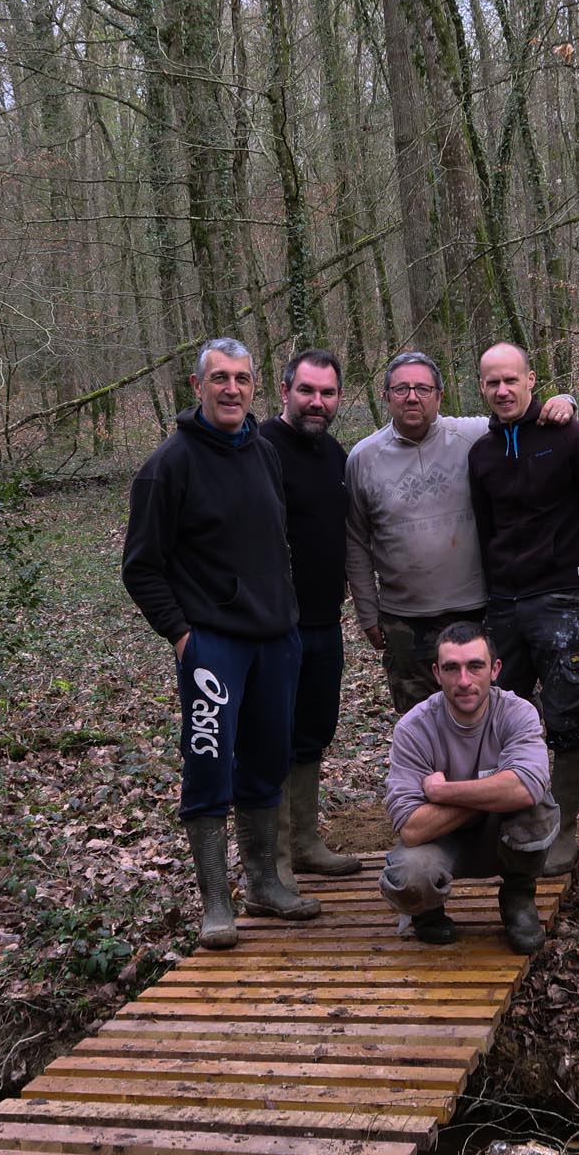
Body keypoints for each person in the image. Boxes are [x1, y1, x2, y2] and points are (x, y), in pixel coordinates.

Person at [121, 337, 323, 949]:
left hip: (275, 641)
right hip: (214, 647)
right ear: (197, 385)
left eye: (241, 378)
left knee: (268, 757)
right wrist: (183, 636)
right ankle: (216, 901)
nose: (231, 389)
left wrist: (285, 616)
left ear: (255, 385)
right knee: (210, 765)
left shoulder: (263, 453)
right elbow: (141, 567)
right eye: (219, 379)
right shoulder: (169, 465)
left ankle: (265, 880)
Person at [466, 342, 579, 876]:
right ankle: (517, 823)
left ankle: (565, 827)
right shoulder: (481, 453)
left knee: (569, 714)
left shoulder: (569, 437)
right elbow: (485, 530)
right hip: (503, 606)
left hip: (561, 598)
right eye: (492, 383)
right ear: (482, 387)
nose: (503, 391)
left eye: (511, 380)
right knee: (503, 719)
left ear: (531, 380)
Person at [344, 352, 574, 714]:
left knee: (488, 719)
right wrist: (367, 612)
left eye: (423, 388)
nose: (412, 396)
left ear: (440, 394)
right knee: (421, 726)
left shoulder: (473, 435)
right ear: (385, 395)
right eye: (401, 388)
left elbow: (521, 416)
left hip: (477, 610)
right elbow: (356, 540)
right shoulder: (363, 459)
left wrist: (564, 402)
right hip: (404, 620)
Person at [255, 348, 364, 886]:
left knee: (312, 735)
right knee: (273, 737)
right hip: (273, 627)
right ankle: (273, 864)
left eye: (327, 393)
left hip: (325, 621)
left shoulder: (335, 454)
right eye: (307, 391)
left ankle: (304, 843)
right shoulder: (260, 449)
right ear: (283, 390)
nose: (317, 402)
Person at [380, 621, 555, 954]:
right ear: (436, 672)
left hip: (503, 834)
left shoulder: (518, 713)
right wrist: (493, 791)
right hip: (440, 842)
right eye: (451, 668)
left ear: (495, 669)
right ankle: (427, 913)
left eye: (475, 666)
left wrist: (441, 793)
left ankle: (518, 896)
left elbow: (527, 790)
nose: (464, 681)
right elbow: (413, 829)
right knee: (407, 877)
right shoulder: (413, 728)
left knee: (537, 810)